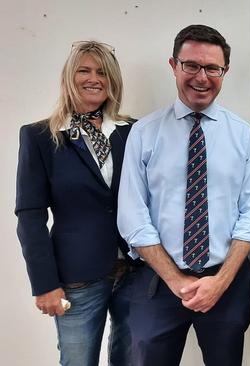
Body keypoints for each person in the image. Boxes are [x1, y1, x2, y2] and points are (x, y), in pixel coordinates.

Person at [117, 24, 250, 366]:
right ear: (174, 65)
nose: (202, 77)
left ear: (224, 71)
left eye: (213, 68)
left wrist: (219, 282)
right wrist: (177, 280)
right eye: (191, 66)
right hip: (158, 283)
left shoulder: (243, 136)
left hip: (225, 282)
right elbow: (133, 217)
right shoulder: (144, 133)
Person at [15, 40, 137, 366]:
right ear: (70, 77)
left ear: (113, 81)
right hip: (78, 278)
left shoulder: (134, 133)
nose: (93, 78)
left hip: (136, 273)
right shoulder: (40, 136)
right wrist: (44, 285)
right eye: (84, 70)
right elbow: (30, 216)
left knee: (133, 359)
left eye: (102, 72)